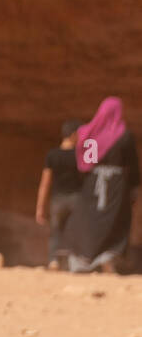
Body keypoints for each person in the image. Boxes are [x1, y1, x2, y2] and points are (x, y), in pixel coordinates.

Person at [64, 98, 139, 274]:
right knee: (116, 218)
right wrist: (134, 187)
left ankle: (84, 259)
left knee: (89, 219)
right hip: (117, 186)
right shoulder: (125, 136)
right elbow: (133, 164)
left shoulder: (92, 135)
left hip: (93, 184)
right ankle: (107, 257)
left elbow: (86, 165)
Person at [35, 120, 83, 271]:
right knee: (76, 231)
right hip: (77, 199)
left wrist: (40, 207)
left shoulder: (52, 155)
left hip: (57, 200)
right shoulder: (80, 155)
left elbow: (45, 183)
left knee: (56, 231)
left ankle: (53, 261)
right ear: (74, 135)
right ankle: (73, 263)